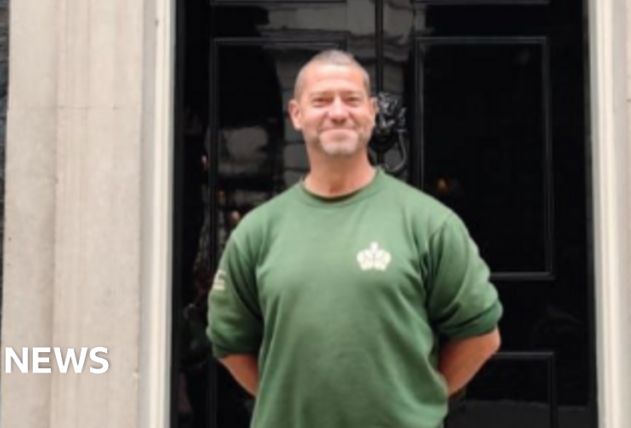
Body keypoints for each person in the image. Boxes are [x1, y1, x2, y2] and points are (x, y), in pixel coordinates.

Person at [207, 49, 502, 428]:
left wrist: (419, 400)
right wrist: (285, 402)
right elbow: (229, 341)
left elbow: (481, 335)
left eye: (351, 99)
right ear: (296, 114)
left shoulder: (428, 223)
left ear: (372, 112)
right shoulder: (258, 231)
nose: (338, 112)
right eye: (321, 101)